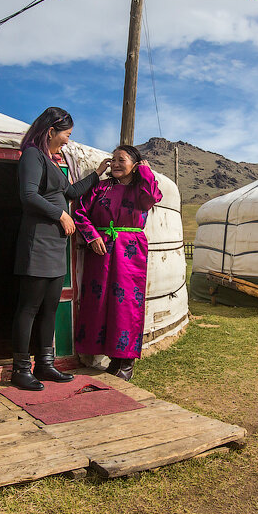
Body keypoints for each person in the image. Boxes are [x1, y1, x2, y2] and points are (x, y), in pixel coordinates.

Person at [12, 107, 110, 390]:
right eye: (66, 134)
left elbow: (70, 193)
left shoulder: (52, 162)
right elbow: (28, 195)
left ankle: (45, 365)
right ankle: (20, 370)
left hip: (55, 246)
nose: (68, 141)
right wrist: (61, 215)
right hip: (37, 243)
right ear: (51, 131)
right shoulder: (32, 155)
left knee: (51, 308)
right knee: (29, 308)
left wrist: (97, 174)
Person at [72, 144, 162, 381]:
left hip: (129, 251)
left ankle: (126, 361)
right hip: (101, 250)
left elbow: (151, 198)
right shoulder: (101, 188)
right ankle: (111, 358)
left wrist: (146, 172)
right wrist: (92, 236)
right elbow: (79, 211)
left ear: (136, 164)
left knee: (125, 304)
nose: (116, 164)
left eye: (122, 160)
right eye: (113, 160)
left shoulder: (142, 187)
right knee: (100, 301)